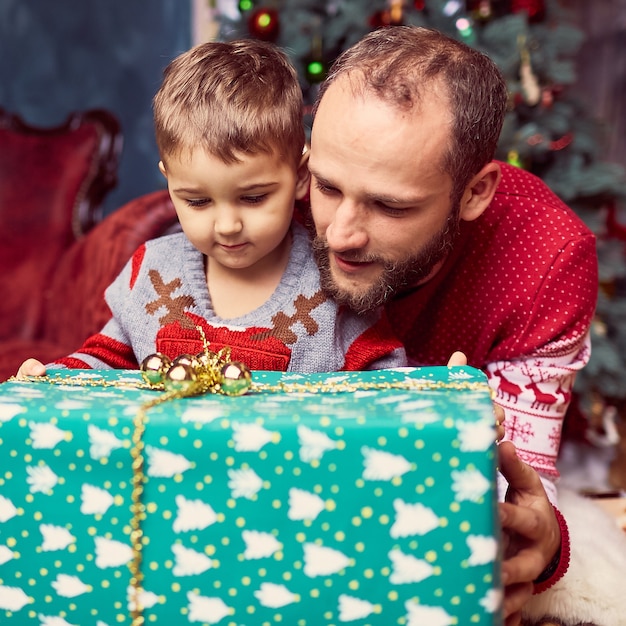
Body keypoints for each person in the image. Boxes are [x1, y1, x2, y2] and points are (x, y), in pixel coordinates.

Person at [305, 26, 598, 625]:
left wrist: (541, 543)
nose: (339, 234)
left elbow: (516, 493)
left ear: (475, 192)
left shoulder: (546, 259)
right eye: (326, 187)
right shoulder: (274, 198)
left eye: (390, 205)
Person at [16, 39, 406, 377]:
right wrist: (57, 376)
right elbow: (106, 359)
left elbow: (384, 383)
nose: (227, 226)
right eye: (198, 201)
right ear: (169, 182)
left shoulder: (333, 280)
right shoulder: (150, 272)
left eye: (253, 198)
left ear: (301, 175)